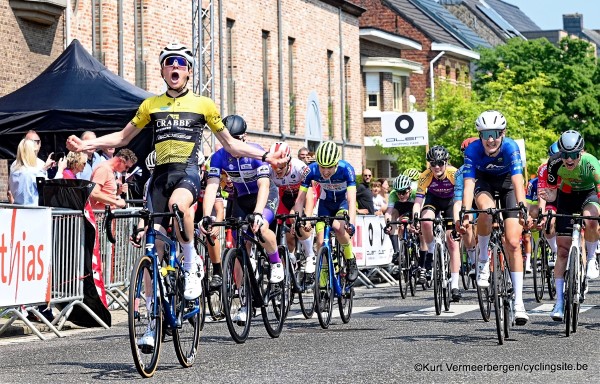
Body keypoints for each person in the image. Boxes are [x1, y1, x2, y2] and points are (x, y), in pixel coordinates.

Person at [65, 42, 287, 307]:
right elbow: (123, 137)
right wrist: (86, 145)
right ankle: (150, 317)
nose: (175, 66)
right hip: (160, 177)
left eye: (181, 63)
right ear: (162, 70)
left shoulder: (203, 104)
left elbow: (230, 144)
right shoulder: (150, 105)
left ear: (189, 71)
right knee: (152, 248)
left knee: (178, 207)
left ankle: (191, 265)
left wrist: (264, 156)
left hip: (187, 172)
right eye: (170, 62)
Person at [201, 115, 283, 323]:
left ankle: (275, 262)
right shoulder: (219, 157)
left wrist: (257, 213)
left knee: (262, 226)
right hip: (241, 199)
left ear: (244, 138)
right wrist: (205, 216)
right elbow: (211, 187)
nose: (231, 145)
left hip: (264, 196)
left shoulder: (255, 153)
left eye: (236, 139)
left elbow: (264, 185)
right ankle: (246, 301)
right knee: (239, 250)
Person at [457, 110, 529, 325]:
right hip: (484, 183)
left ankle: (519, 304)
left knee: (514, 242)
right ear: (479, 135)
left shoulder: (510, 147)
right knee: (486, 210)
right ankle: (482, 261)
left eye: (495, 133)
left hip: (507, 183)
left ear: (503, 133)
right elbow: (469, 184)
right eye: (486, 133)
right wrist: (464, 211)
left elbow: (517, 180)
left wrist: (522, 205)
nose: (491, 139)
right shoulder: (472, 150)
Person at [543, 130, 600, 321]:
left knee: (591, 219)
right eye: (565, 155)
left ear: (581, 152)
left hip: (588, 195)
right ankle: (559, 302)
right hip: (566, 196)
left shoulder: (591, 163)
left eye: (574, 155)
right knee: (562, 252)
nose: (569, 160)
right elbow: (551, 193)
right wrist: (549, 205)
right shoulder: (554, 163)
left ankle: (591, 259)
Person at [291, 141, 359, 283]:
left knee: (338, 228)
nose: (325, 171)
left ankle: (350, 259)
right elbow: (300, 199)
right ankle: (322, 285)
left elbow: (352, 200)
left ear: (336, 164)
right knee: (321, 243)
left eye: (329, 168)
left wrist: (351, 223)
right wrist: (298, 220)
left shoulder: (347, 169)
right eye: (322, 167)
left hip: (342, 204)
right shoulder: (311, 170)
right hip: (325, 205)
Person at [411, 145, 461, 301]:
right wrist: (415, 216)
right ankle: (432, 248)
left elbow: (460, 198)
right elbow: (418, 201)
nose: (437, 167)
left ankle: (454, 284)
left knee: (452, 241)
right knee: (426, 221)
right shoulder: (425, 176)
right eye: (433, 164)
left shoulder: (454, 173)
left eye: (440, 163)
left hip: (452, 202)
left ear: (446, 162)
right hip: (433, 200)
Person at [268, 142, 316, 272]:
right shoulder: (268, 170)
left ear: (288, 162)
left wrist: (309, 216)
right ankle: (290, 257)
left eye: (280, 168)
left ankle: (310, 255)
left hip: (303, 193)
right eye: (274, 167)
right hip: (284, 195)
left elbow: (309, 193)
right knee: (287, 231)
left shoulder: (300, 167)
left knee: (298, 220)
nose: (277, 172)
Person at [9, 139, 51, 205]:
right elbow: (48, 190)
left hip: (17, 209)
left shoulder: (13, 168)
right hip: (32, 211)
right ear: (31, 152)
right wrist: (60, 170)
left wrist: (44, 168)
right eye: (34, 151)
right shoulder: (31, 171)